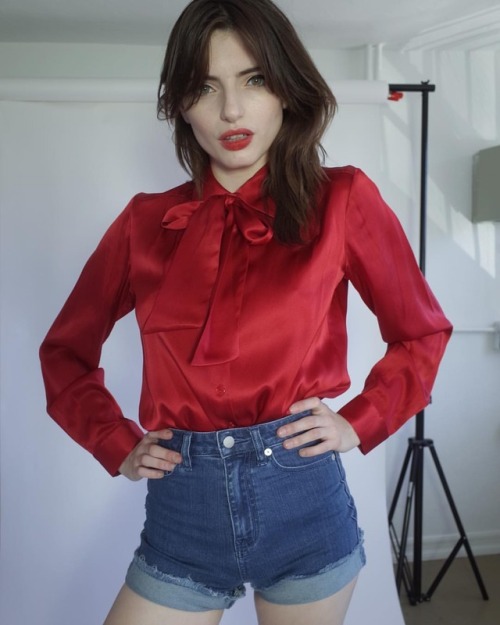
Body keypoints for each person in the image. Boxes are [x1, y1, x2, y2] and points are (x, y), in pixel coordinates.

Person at [39, 1, 452, 624]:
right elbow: (65, 352)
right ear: (181, 104)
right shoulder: (145, 224)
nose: (231, 110)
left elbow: (421, 331)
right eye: (205, 88)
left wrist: (358, 422)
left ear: (286, 89)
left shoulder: (343, 201)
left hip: (304, 505)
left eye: (253, 80)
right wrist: (115, 442)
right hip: (182, 516)